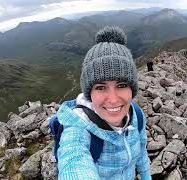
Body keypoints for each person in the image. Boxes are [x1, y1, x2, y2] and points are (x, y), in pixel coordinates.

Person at [56, 26, 151, 180]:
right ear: (89, 94)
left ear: (132, 89)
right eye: (100, 87)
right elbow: (73, 160)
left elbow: (141, 154)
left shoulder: (137, 115)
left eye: (121, 85)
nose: (113, 100)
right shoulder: (78, 129)